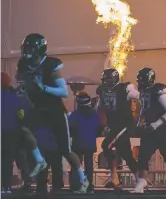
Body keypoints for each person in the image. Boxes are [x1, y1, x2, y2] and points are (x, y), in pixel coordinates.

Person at [16, 33, 90, 193]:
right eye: (26, 48)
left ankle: (83, 180)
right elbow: (23, 84)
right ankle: (39, 163)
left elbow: (64, 92)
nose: (27, 51)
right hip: (37, 110)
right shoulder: (24, 65)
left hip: (55, 111)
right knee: (25, 136)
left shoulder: (50, 65)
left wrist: (43, 87)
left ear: (39, 49)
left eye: (30, 48)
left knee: (65, 150)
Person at [2, 72, 46, 193]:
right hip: (17, 131)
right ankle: (19, 185)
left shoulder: (16, 94)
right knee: (17, 158)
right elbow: (22, 113)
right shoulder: (17, 96)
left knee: (15, 158)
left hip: (14, 131)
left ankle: (11, 185)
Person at [96, 68, 139, 188]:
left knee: (106, 145)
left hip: (124, 124)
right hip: (114, 126)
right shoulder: (103, 91)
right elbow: (99, 107)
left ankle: (114, 176)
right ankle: (138, 178)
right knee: (126, 155)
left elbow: (140, 97)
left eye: (107, 80)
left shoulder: (124, 89)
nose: (105, 82)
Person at [69, 92, 104, 192]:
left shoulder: (75, 114)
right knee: (89, 165)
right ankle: (89, 185)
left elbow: (70, 128)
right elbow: (99, 128)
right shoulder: (94, 114)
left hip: (78, 143)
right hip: (90, 143)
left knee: (76, 164)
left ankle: (76, 184)